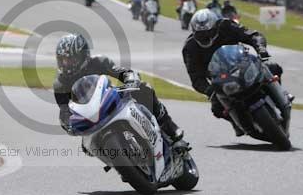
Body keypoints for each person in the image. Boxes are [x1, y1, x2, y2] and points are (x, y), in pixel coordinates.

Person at [53, 34, 184, 145]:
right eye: (63, 59)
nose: (66, 64)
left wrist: (131, 78)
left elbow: (120, 72)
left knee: (143, 88)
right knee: (86, 146)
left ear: (84, 55)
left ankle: (168, 125)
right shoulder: (60, 83)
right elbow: (65, 111)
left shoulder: (99, 62)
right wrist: (68, 124)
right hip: (90, 117)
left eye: (71, 59)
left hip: (110, 100)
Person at [182, 9, 286, 136]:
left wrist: (261, 48)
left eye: (209, 33)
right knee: (217, 108)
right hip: (221, 80)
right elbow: (195, 77)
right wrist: (209, 90)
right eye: (201, 35)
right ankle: (237, 123)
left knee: (273, 68)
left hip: (243, 65)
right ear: (194, 32)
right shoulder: (190, 48)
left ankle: (282, 99)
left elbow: (252, 35)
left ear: (215, 27)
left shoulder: (227, 26)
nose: (206, 37)